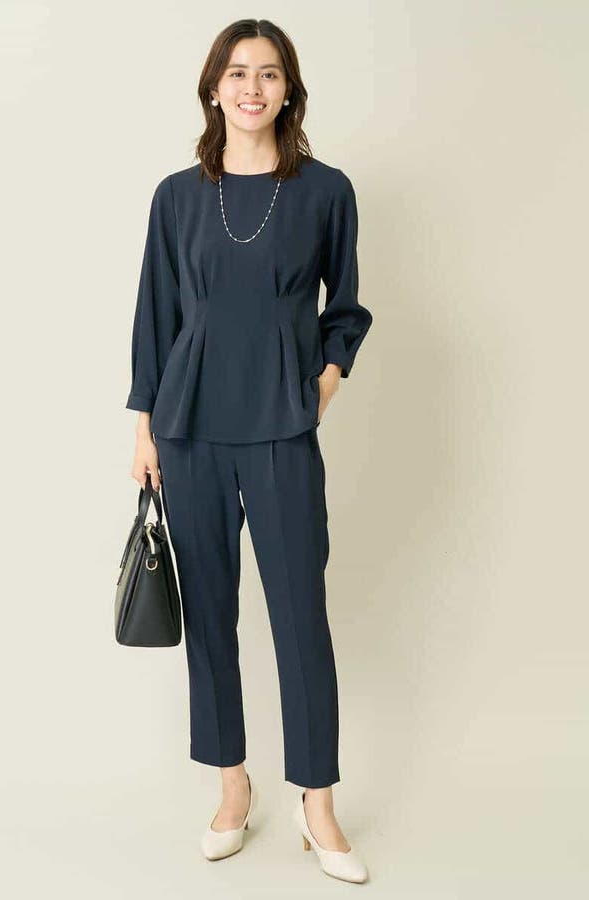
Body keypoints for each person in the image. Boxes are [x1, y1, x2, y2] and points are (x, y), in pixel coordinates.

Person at [125, 19, 372, 884]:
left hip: (280, 428)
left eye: (268, 74)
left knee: (301, 615)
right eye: (237, 73)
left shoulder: (325, 191)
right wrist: (144, 427)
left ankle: (318, 803)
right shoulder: (176, 196)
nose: (252, 88)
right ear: (213, 88)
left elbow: (346, 307)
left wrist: (323, 384)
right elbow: (155, 316)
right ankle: (233, 789)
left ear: (288, 89)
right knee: (211, 617)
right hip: (189, 429)